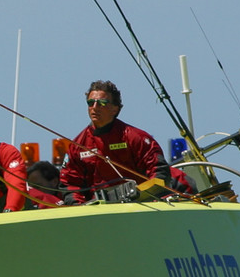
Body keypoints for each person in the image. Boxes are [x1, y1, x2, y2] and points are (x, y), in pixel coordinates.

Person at [60, 80, 188, 203]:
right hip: (98, 210)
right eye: (90, 102)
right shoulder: (77, 145)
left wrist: (145, 197)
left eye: (102, 103)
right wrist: (79, 207)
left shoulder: (136, 138)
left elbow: (158, 172)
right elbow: (69, 184)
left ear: (115, 109)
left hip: (139, 205)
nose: (94, 107)